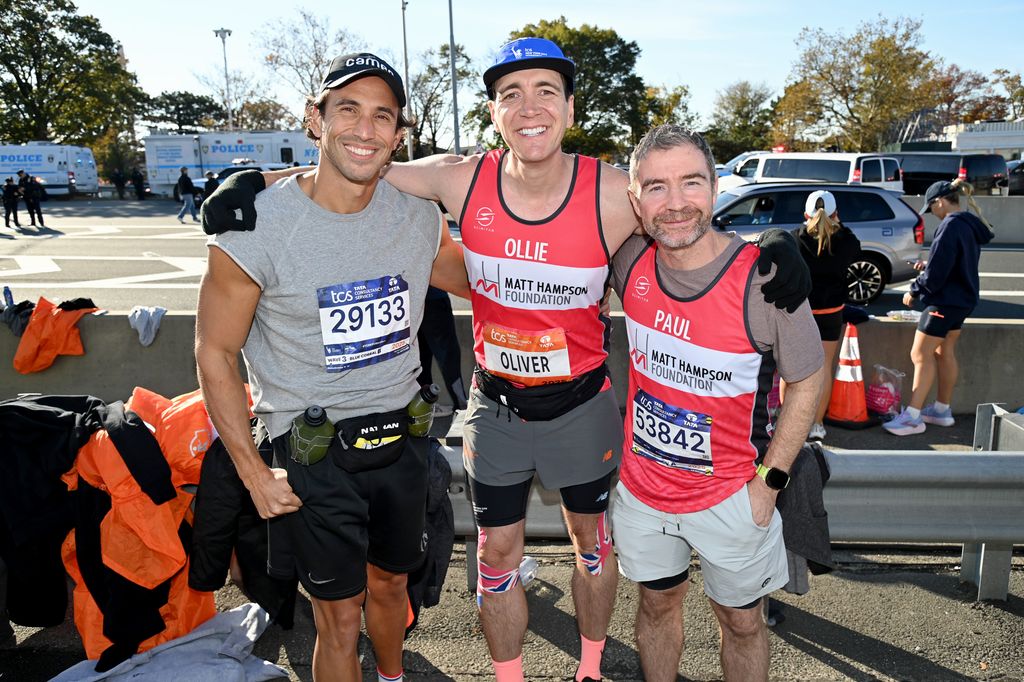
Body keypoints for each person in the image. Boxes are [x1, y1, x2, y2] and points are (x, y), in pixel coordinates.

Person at [201, 37, 809, 682]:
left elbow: (680, 218)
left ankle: (591, 669)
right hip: (494, 408)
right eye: (511, 95)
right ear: (493, 113)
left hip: (582, 404)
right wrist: (255, 180)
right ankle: (509, 676)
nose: (530, 108)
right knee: (495, 548)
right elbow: (355, 162)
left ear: (571, 108)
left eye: (546, 91)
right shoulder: (460, 179)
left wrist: (775, 244)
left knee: (592, 548)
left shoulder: (610, 191)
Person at [195, 52, 469, 682]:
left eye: (382, 116)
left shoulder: (417, 218)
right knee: (337, 619)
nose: (364, 128)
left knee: (393, 593)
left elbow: (489, 279)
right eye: (347, 109)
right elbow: (214, 349)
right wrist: (252, 473)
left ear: (399, 135)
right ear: (314, 119)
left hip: (401, 443)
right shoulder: (254, 226)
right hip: (312, 458)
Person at [610, 124, 824, 682]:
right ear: (636, 200)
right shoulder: (628, 260)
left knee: (743, 623)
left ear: (716, 187)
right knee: (656, 607)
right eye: (656, 187)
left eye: (691, 183)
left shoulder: (766, 279)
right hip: (644, 493)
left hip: (734, 499)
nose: (676, 203)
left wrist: (768, 485)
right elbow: (559, 187)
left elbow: (808, 381)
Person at [883, 179, 993, 436]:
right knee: (946, 352)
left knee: (920, 355)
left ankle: (912, 417)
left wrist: (915, 289)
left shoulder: (950, 226)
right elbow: (951, 263)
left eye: (931, 208)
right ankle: (941, 410)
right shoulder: (967, 224)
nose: (932, 213)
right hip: (962, 301)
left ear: (940, 202)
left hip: (943, 302)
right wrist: (929, 267)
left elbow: (938, 273)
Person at [784, 190, 860, 441]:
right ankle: (817, 424)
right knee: (824, 367)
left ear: (805, 214)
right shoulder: (846, 240)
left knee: (791, 369)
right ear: (836, 214)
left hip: (799, 311)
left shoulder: (795, 238)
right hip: (831, 312)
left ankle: (788, 423)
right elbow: (854, 251)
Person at [417, 285, 467, 413]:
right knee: (449, 357)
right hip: (434, 299)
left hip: (412, 302)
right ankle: (462, 407)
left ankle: (425, 408)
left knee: (420, 358)